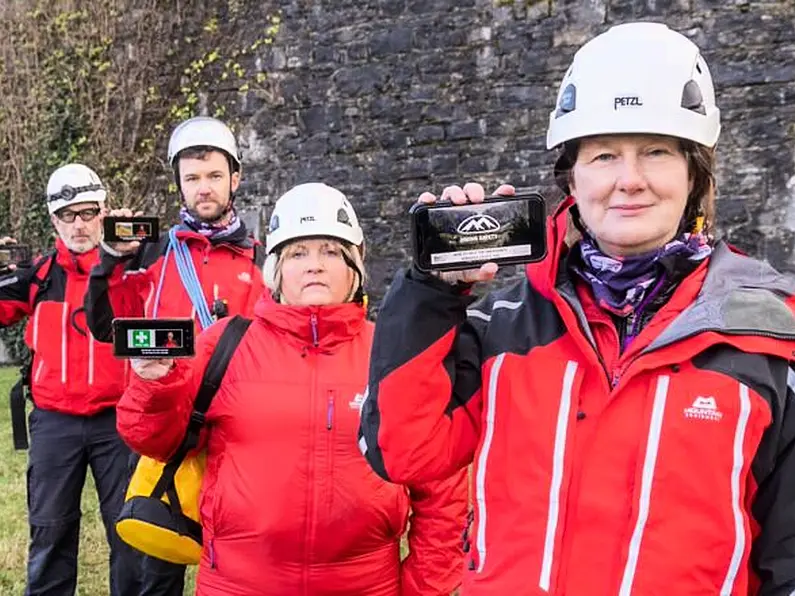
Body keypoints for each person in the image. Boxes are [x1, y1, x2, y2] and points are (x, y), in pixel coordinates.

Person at [359, 22, 795, 595]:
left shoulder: (768, 340)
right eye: (605, 155)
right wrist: (430, 293)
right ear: (572, 176)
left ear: (695, 174)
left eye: (657, 152)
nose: (629, 180)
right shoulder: (503, 327)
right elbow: (402, 451)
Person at [115, 183, 469, 595]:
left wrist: (424, 588)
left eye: (331, 251)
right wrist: (155, 384)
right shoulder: (224, 343)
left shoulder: (393, 354)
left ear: (355, 267)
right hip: (238, 583)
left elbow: (441, 488)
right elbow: (152, 440)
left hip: (366, 583)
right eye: (298, 253)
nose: (314, 265)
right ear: (277, 270)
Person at [84, 116, 267, 595]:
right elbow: (107, 325)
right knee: (150, 566)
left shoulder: (263, 260)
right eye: (192, 178)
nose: (203, 188)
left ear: (235, 178)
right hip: (161, 425)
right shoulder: (151, 254)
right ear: (179, 186)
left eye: (212, 175)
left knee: (236, 557)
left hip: (235, 432)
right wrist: (111, 259)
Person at [0, 164, 139, 595]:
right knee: (51, 530)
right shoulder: (37, 277)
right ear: (53, 219)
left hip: (119, 420)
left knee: (130, 531)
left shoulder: (134, 270)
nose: (79, 225)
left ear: (105, 211)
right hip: (54, 422)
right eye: (68, 215)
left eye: (88, 212)